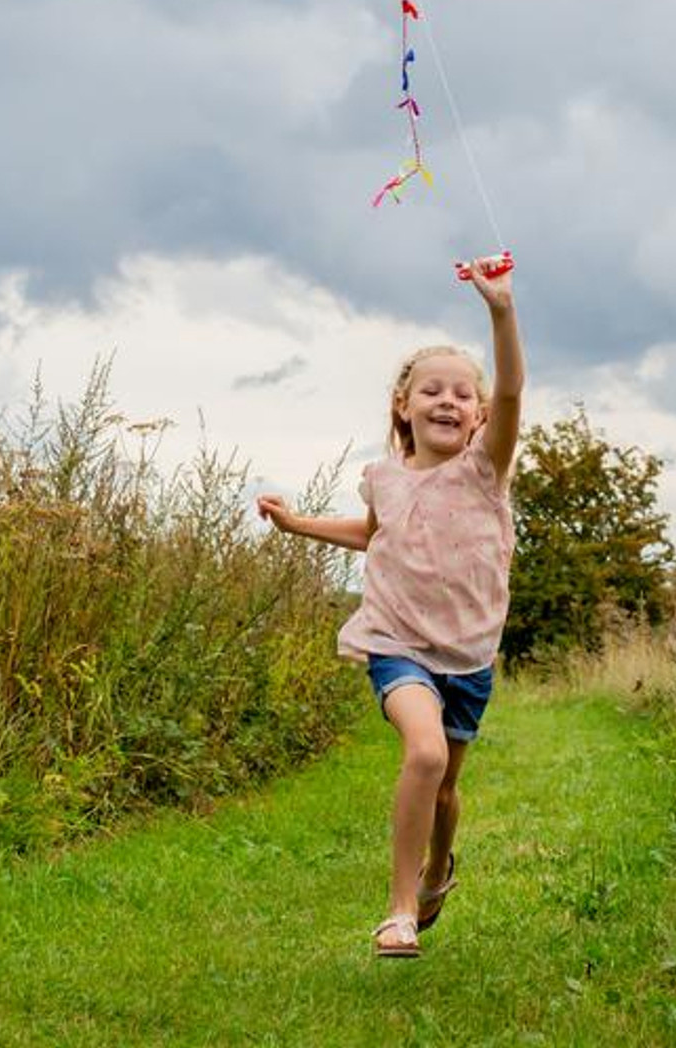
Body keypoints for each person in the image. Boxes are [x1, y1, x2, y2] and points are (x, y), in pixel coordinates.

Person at [257, 260, 524, 958]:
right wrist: (297, 525)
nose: (448, 400)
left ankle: (439, 871)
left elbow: (515, 387)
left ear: (481, 416)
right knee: (425, 752)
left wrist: (501, 311)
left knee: (444, 790)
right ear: (402, 408)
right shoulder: (386, 479)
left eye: (463, 393)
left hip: (468, 654)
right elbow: (372, 535)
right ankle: (400, 911)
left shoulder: (485, 471)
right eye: (430, 390)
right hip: (397, 641)